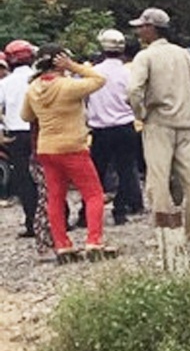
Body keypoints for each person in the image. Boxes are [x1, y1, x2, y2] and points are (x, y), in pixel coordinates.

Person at [22, 44, 112, 261]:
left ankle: (62, 244)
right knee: (93, 194)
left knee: (55, 196)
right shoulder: (68, 86)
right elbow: (99, 80)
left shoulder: (33, 88)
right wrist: (74, 66)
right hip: (72, 146)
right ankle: (94, 241)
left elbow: (26, 116)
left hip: (46, 148)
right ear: (61, 61)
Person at [127, 7, 190, 241]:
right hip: (184, 122)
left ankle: (166, 230)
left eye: (142, 26)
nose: (139, 31)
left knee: (158, 178)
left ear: (152, 28)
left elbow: (134, 89)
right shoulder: (183, 54)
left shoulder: (145, 57)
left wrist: (141, 113)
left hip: (158, 123)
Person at [86, 29, 143, 226]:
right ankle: (120, 210)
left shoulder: (93, 72)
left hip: (100, 128)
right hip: (125, 126)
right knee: (126, 169)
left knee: (96, 172)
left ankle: (88, 213)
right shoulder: (129, 73)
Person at [1, 40, 42, 244]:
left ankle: (31, 222)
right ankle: (58, 218)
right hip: (40, 131)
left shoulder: (5, 84)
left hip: (15, 134)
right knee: (47, 176)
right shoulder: (38, 78)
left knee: (24, 179)